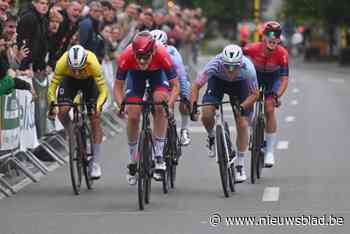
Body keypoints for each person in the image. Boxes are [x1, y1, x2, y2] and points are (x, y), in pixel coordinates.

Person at [113, 31, 179, 185]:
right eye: (139, 57)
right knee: (133, 114)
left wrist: (169, 105)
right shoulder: (127, 55)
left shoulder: (162, 53)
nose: (142, 61)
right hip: (135, 79)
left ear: (153, 51)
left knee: (159, 104)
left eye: (146, 57)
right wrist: (121, 105)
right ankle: (133, 159)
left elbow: (176, 86)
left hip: (158, 76)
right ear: (134, 52)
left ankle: (159, 155)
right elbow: (117, 87)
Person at [191, 44, 259, 183]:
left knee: (242, 123)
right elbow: (196, 86)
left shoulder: (248, 68)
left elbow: (255, 94)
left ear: (240, 64)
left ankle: (240, 164)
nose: (230, 70)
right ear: (222, 62)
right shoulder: (214, 65)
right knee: (207, 113)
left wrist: (242, 107)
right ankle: (211, 137)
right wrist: (193, 106)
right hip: (218, 82)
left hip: (241, 85)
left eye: (234, 67)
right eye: (227, 66)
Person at [47, 45, 108, 179]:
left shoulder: (93, 62)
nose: (76, 72)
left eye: (79, 69)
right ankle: (71, 131)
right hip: (69, 82)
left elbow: (104, 90)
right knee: (62, 110)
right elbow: (52, 88)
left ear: (85, 62)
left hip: (89, 83)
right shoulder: (62, 63)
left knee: (95, 118)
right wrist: (52, 103)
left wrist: (98, 106)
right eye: (73, 69)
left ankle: (96, 162)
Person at [243, 21, 289, 168]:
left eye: (276, 34)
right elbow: (236, 57)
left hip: (272, 80)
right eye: (269, 34)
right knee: (247, 107)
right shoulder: (252, 48)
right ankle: (253, 131)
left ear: (280, 38)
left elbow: (284, 79)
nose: (273, 37)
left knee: (269, 108)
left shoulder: (282, 53)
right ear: (263, 37)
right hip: (254, 77)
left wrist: (278, 95)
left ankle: (269, 151)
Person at [150, 29, 192, 146]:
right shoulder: (146, 54)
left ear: (166, 46)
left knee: (185, 95)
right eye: (153, 47)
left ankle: (184, 129)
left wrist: (184, 96)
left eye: (159, 48)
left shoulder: (172, 54)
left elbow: (181, 77)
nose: (156, 51)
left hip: (174, 80)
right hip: (158, 82)